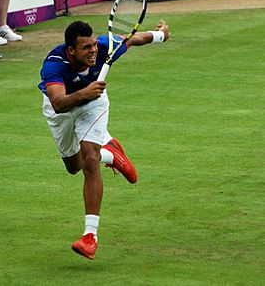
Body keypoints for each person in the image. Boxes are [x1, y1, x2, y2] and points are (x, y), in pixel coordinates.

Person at [38, 19, 170, 259]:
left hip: (94, 105)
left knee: (89, 160)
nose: (93, 51)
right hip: (63, 108)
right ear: (70, 50)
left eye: (93, 46)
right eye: (86, 48)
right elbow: (58, 103)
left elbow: (133, 39)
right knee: (73, 166)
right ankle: (111, 154)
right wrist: (82, 93)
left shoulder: (105, 46)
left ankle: (90, 236)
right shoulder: (54, 64)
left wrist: (161, 35)